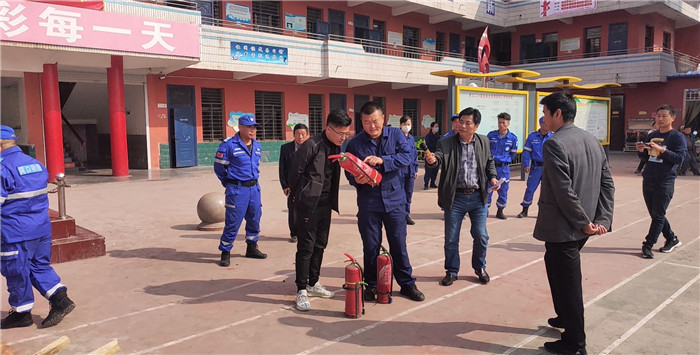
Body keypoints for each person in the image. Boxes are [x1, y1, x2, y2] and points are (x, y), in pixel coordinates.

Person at [534, 93, 615, 355]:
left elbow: (563, 191)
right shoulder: (592, 140)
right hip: (583, 225)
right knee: (554, 268)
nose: (544, 118)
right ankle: (563, 317)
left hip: (565, 228)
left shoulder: (554, 144)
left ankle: (575, 344)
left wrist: (582, 223)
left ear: (558, 114)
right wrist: (601, 219)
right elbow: (607, 184)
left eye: (546, 113)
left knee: (569, 285)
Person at [345, 102, 425, 303]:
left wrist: (383, 161)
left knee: (398, 244)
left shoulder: (396, 135)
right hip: (368, 202)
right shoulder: (355, 143)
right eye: (366, 122)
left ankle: (407, 283)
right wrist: (356, 179)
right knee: (371, 246)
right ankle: (371, 285)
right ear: (361, 122)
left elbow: (408, 156)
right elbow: (349, 170)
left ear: (383, 119)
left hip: (395, 201)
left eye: (375, 121)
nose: (371, 126)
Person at [0, 126, 76, 329]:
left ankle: (21, 313)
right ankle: (61, 300)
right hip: (40, 229)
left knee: (16, 271)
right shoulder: (35, 164)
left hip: (15, 232)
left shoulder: (2, 168)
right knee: (38, 266)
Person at [425, 108, 499, 287]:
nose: (462, 126)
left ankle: (479, 267)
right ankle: (451, 271)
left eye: (467, 123)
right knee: (451, 237)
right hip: (455, 197)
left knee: (481, 236)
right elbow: (439, 159)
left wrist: (493, 177)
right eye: (460, 122)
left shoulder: (483, 141)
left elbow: (489, 161)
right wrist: (433, 161)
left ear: (476, 126)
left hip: (478, 197)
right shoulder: (447, 142)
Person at [287, 110, 352, 311]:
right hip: (308, 205)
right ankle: (301, 289)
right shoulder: (311, 145)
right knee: (306, 246)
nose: (343, 137)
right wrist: (301, 199)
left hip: (325, 205)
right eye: (340, 133)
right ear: (328, 128)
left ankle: (313, 282)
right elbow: (294, 175)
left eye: (346, 134)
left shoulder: (336, 149)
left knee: (320, 244)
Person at [214, 115, 267, 267]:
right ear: (240, 127)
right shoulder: (229, 145)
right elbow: (219, 167)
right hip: (237, 190)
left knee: (255, 218)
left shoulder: (257, 146)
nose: (253, 130)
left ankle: (252, 247)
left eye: (255, 127)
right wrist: (229, 183)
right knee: (233, 221)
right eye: (249, 127)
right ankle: (225, 251)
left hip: (254, 189)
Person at [636, 105, 686, 259]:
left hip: (665, 181)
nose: (661, 119)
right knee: (656, 214)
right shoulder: (652, 134)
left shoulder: (677, 137)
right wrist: (641, 151)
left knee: (658, 215)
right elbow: (646, 158)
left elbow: (679, 158)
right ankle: (672, 238)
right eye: (658, 116)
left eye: (664, 116)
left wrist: (662, 150)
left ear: (673, 118)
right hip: (649, 178)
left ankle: (648, 245)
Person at [279, 123, 309, 242]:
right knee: (293, 211)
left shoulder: (311, 147)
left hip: (307, 185)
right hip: (292, 185)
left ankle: (305, 232)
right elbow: (282, 168)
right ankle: (294, 233)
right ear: (293, 135)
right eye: (298, 134)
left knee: (307, 209)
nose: (300, 137)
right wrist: (284, 185)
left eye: (303, 134)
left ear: (307, 135)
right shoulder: (286, 148)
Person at [517, 117, 553, 218]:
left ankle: (543, 212)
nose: (548, 125)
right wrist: (526, 164)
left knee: (546, 191)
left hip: (548, 168)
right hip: (536, 167)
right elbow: (526, 152)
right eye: (545, 123)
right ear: (541, 124)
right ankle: (525, 210)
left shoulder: (552, 136)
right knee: (530, 189)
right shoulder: (532, 137)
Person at [487, 112, 518, 220]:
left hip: (504, 168)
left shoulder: (513, 138)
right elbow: (486, 150)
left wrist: (505, 160)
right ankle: (485, 209)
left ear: (508, 123)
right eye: (499, 122)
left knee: (503, 190)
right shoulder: (491, 135)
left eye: (503, 123)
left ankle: (500, 211)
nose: (501, 125)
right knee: (488, 188)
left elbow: (513, 154)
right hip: (491, 166)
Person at [399, 116, 419, 225]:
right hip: (400, 171)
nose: (407, 126)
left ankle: (406, 215)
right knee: (399, 194)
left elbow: (414, 154)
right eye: (405, 124)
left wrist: (415, 169)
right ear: (401, 125)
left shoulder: (411, 138)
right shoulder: (397, 137)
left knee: (408, 194)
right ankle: (399, 215)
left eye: (409, 124)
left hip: (410, 171)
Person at [423, 121, 440, 190]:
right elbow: (428, 145)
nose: (437, 128)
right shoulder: (428, 136)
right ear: (432, 128)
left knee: (435, 170)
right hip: (429, 155)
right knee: (428, 170)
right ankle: (426, 184)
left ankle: (433, 183)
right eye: (436, 126)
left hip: (436, 155)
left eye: (437, 127)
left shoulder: (438, 136)